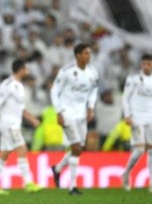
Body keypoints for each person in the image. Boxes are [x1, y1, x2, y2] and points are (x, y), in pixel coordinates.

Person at [0, 59, 42, 195]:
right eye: (26, 69)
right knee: (22, 149)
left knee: (4, 154)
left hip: (13, 124)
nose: (27, 71)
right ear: (21, 69)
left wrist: (32, 119)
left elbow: (21, 108)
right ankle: (28, 183)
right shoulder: (8, 84)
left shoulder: (19, 86)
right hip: (9, 124)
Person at [50, 43, 99, 195]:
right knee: (77, 148)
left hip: (81, 114)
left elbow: (94, 90)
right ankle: (72, 186)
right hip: (67, 113)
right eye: (85, 53)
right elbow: (54, 91)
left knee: (80, 148)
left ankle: (57, 169)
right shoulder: (66, 71)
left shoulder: (92, 72)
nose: (88, 56)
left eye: (89, 53)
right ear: (77, 55)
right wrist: (59, 112)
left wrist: (90, 107)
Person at [121, 54, 152, 194]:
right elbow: (125, 97)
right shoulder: (133, 79)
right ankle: (126, 174)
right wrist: (127, 115)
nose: (146, 66)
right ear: (141, 65)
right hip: (136, 118)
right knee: (139, 150)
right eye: (144, 64)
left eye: (149, 64)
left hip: (150, 119)